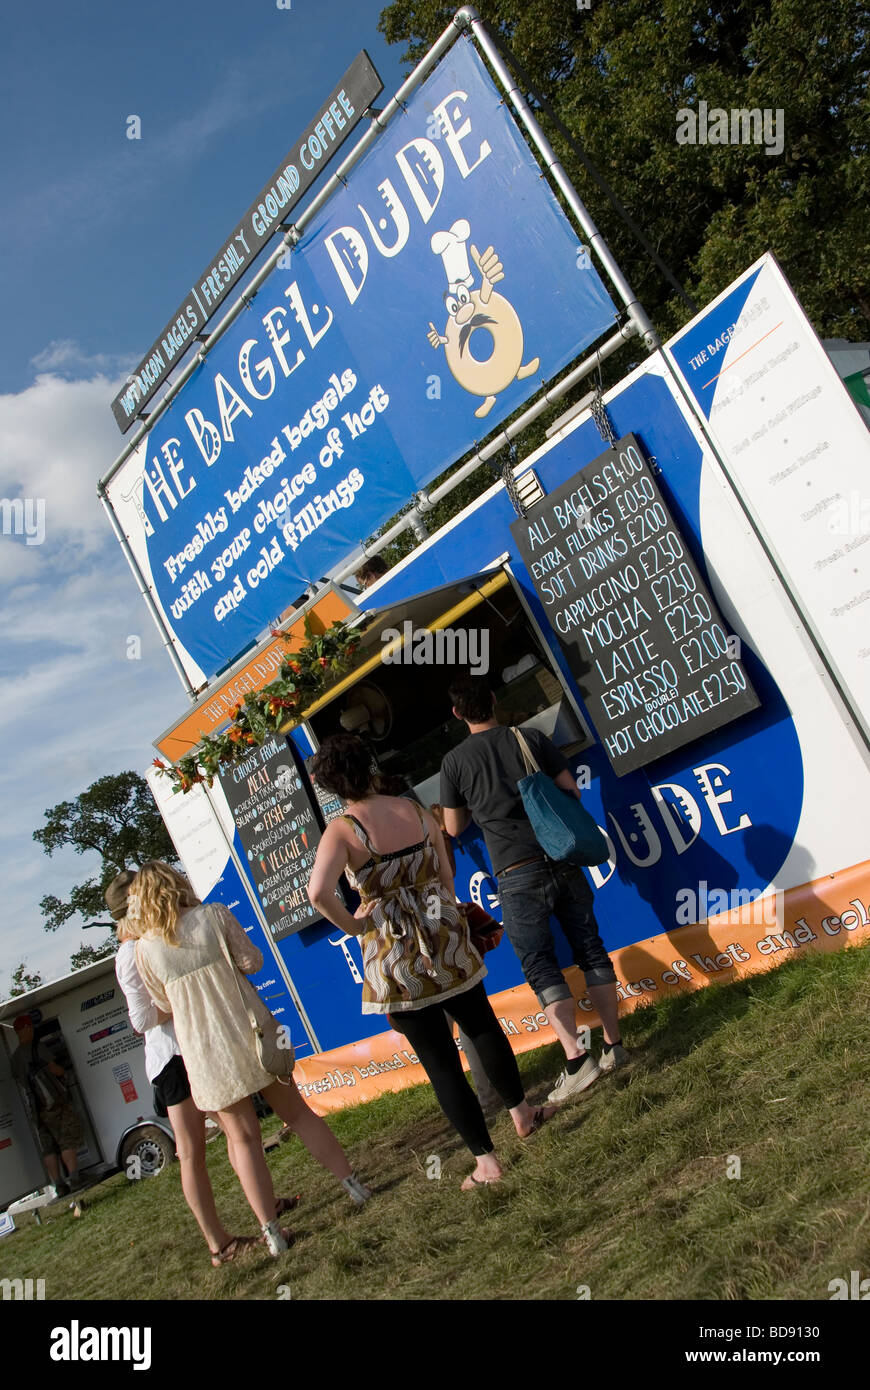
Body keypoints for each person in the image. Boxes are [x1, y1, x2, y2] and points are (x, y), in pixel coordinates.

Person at [306, 733, 555, 1190]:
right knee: (483, 1025)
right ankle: (522, 1113)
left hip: (395, 951)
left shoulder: (342, 830)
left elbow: (317, 894)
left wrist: (356, 925)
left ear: (330, 784)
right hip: (444, 931)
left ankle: (487, 1163)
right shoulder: (415, 810)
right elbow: (446, 874)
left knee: (440, 1061)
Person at [130, 861, 371, 1258]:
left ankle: (271, 1231)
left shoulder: (145, 950)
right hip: (252, 1029)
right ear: (178, 885)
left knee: (242, 1139)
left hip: (204, 1053)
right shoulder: (213, 915)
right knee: (299, 1114)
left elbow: (161, 1003)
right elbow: (252, 962)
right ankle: (353, 1185)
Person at [440, 676, 627, 1105]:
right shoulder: (530, 738)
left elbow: (453, 827)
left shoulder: (454, 763)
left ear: (457, 714)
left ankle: (577, 1059)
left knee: (540, 964)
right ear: (493, 701)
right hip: (562, 855)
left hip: (515, 870)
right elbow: (569, 789)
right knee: (590, 948)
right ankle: (615, 1045)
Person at [109, 869, 296, 1266]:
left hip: (196, 1048)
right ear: (132, 907)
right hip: (173, 1058)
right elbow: (141, 1020)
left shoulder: (156, 936)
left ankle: (266, 1209)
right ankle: (219, 1243)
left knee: (237, 1131)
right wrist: (187, 993)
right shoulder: (131, 952)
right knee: (192, 1150)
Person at [11, 1015, 85, 1197]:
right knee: (66, 1138)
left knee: (48, 1147)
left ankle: (59, 1184)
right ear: (27, 1028)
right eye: (31, 1026)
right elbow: (54, 1068)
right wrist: (64, 1071)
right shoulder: (38, 1047)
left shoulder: (15, 1058)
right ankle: (74, 1178)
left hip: (36, 1108)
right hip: (54, 1103)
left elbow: (20, 1081)